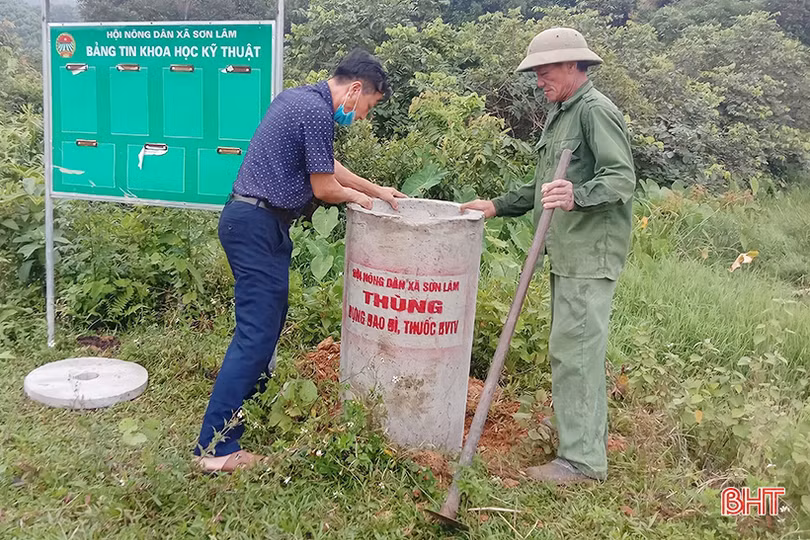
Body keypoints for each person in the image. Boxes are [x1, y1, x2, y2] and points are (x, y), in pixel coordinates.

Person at [195, 49, 405, 473]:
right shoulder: (315, 111)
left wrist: (377, 189)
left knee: (267, 326)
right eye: (367, 107)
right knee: (255, 335)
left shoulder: (301, 100)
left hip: (258, 223)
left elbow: (330, 166)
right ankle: (214, 450)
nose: (362, 116)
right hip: (256, 225)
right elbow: (326, 187)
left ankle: (245, 414)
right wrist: (359, 198)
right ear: (356, 89)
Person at [462, 28, 636, 484]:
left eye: (545, 71)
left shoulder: (595, 111)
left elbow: (620, 179)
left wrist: (578, 195)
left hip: (589, 253)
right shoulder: (562, 114)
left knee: (575, 352)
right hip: (567, 251)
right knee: (570, 349)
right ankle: (580, 445)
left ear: (573, 65)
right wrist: (496, 205)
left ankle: (582, 462)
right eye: (536, 72)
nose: (539, 80)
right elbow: (544, 187)